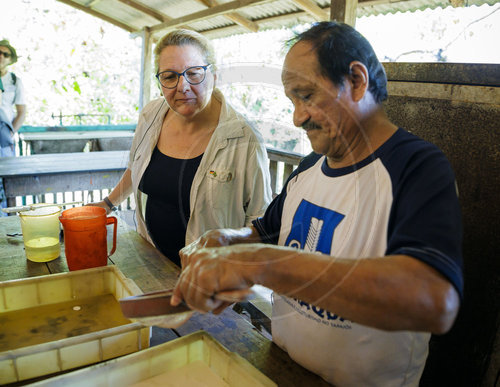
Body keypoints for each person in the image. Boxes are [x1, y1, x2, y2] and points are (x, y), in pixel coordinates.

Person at [172, 22, 463, 386]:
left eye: (306, 95)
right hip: (279, 369)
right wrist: (227, 242)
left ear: (356, 81)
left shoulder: (417, 167)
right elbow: (263, 233)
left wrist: (262, 263)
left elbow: (435, 303)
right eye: (292, 101)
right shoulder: (311, 166)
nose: (297, 117)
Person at [91, 29, 272, 266]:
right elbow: (136, 167)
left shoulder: (244, 138)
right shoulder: (151, 115)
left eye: (194, 74)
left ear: (214, 75)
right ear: (160, 81)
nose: (182, 86)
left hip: (210, 278)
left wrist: (240, 271)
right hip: (151, 260)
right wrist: (107, 204)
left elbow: (260, 216)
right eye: (169, 76)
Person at [0, 39, 26, 215]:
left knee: (7, 179)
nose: (0, 56)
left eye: (5, 54)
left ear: (10, 59)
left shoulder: (15, 81)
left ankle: (7, 218)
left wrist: (10, 133)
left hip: (3, 133)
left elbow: (22, 111)